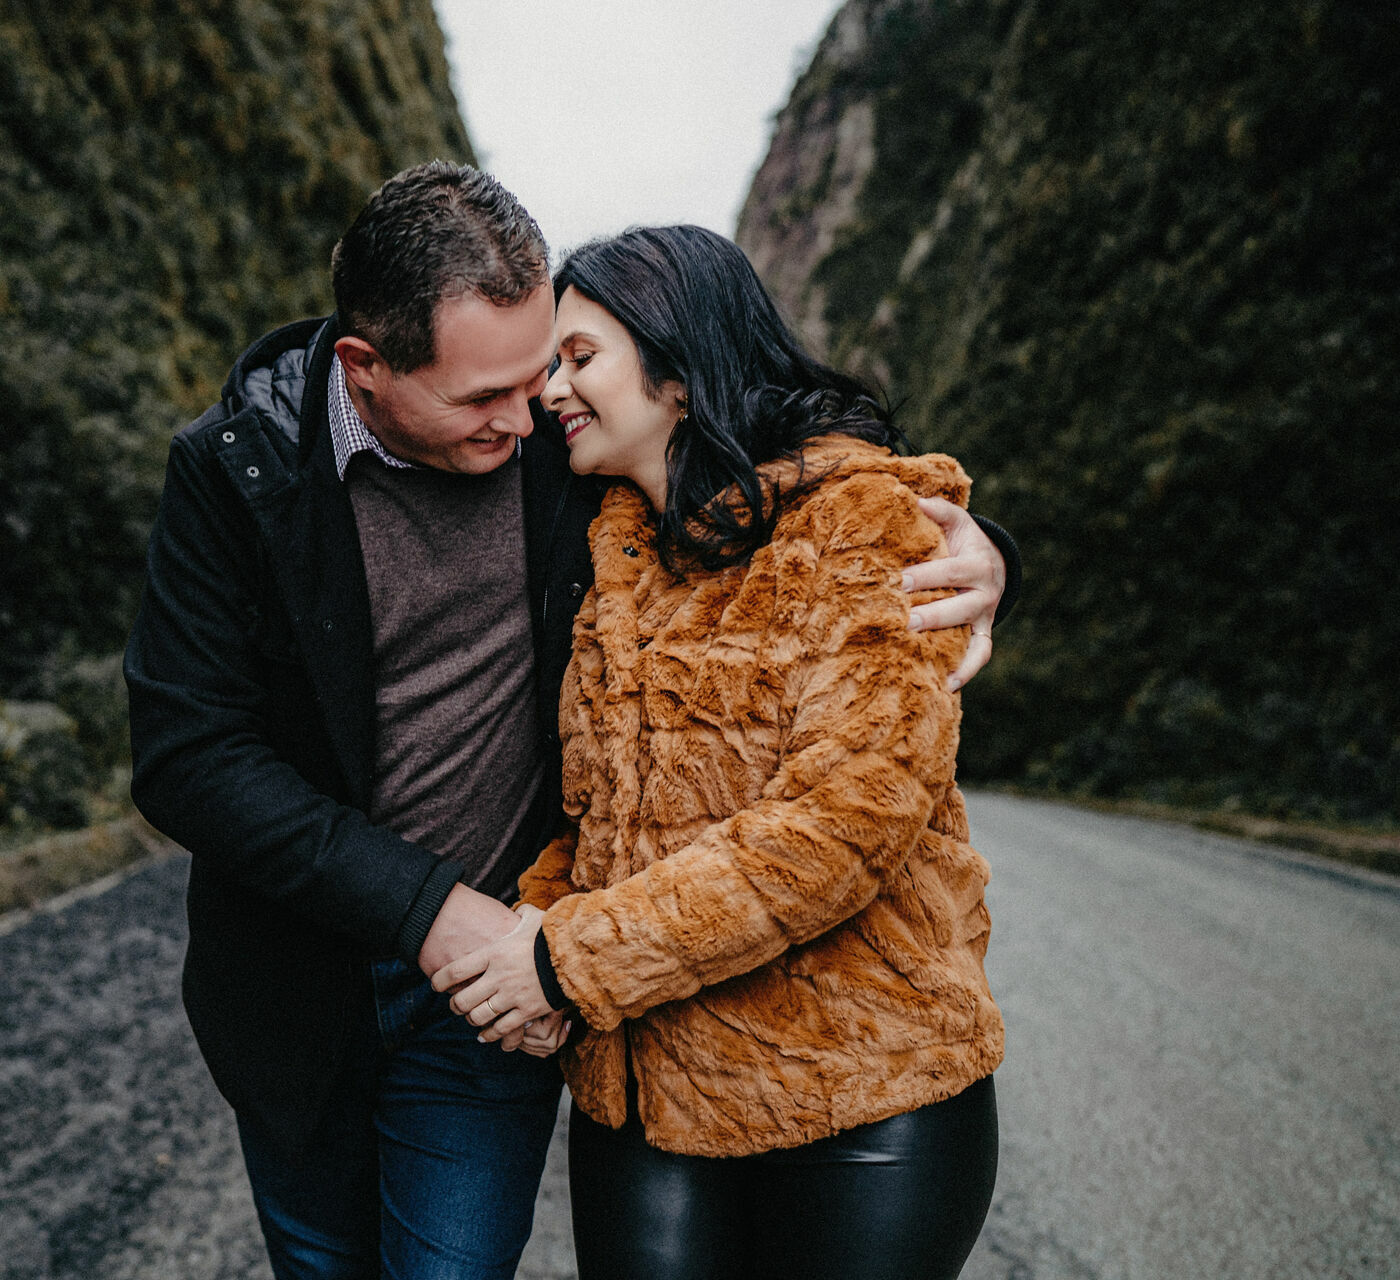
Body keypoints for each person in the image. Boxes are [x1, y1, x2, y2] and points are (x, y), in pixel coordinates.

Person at [123, 164, 1018, 1280]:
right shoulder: (241, 467)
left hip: (511, 987)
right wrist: (458, 919)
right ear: (365, 367)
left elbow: (795, 484)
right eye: (484, 396)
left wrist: (977, 554)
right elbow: (189, 755)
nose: (530, 410)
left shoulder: (574, 458)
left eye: (552, 364)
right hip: (312, 981)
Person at [433, 224, 1007, 1280]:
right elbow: (596, 820)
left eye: (579, 357)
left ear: (682, 373)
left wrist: (564, 962)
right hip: (649, 1098)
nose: (549, 390)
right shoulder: (612, 551)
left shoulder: (859, 524)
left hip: (862, 1096)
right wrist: (529, 934)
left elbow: (842, 827)